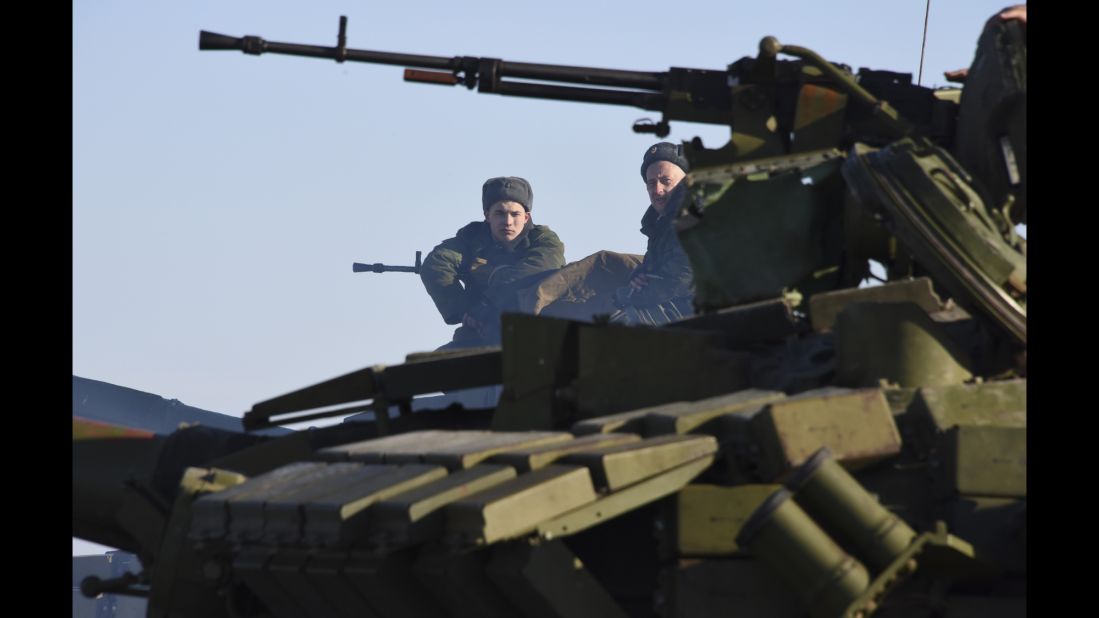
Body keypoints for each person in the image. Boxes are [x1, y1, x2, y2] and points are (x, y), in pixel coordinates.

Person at [420, 176, 565, 348]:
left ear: (526, 217)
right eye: (500, 213)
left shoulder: (544, 240)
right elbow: (437, 264)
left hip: (533, 333)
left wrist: (489, 296)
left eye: (515, 214)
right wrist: (468, 310)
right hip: (479, 333)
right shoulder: (471, 239)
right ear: (487, 215)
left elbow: (538, 268)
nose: (508, 221)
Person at [610, 142, 695, 325]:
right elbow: (657, 270)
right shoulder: (660, 225)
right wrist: (641, 275)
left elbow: (682, 279)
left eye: (666, 181)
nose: (657, 190)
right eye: (651, 183)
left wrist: (632, 296)